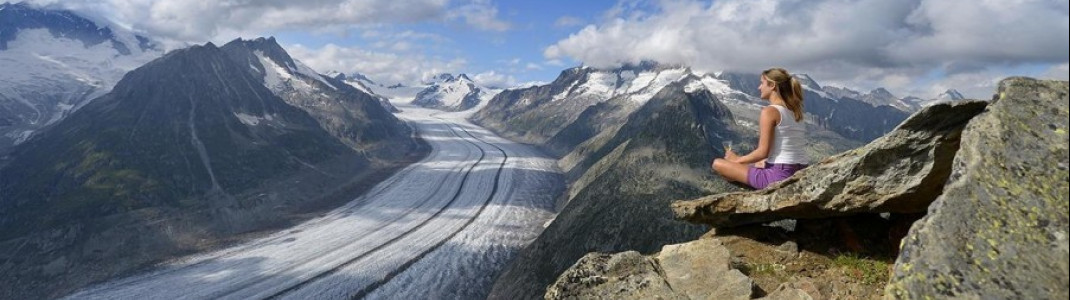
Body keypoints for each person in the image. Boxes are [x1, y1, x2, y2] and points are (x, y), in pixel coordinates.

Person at [712, 68, 808, 189]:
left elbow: (763, 152)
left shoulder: (770, 111)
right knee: (758, 164)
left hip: (779, 176)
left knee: (718, 164)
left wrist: (737, 160)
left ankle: (760, 190)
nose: (759, 87)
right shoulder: (795, 112)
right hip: (800, 170)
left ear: (772, 85)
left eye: (762, 83)